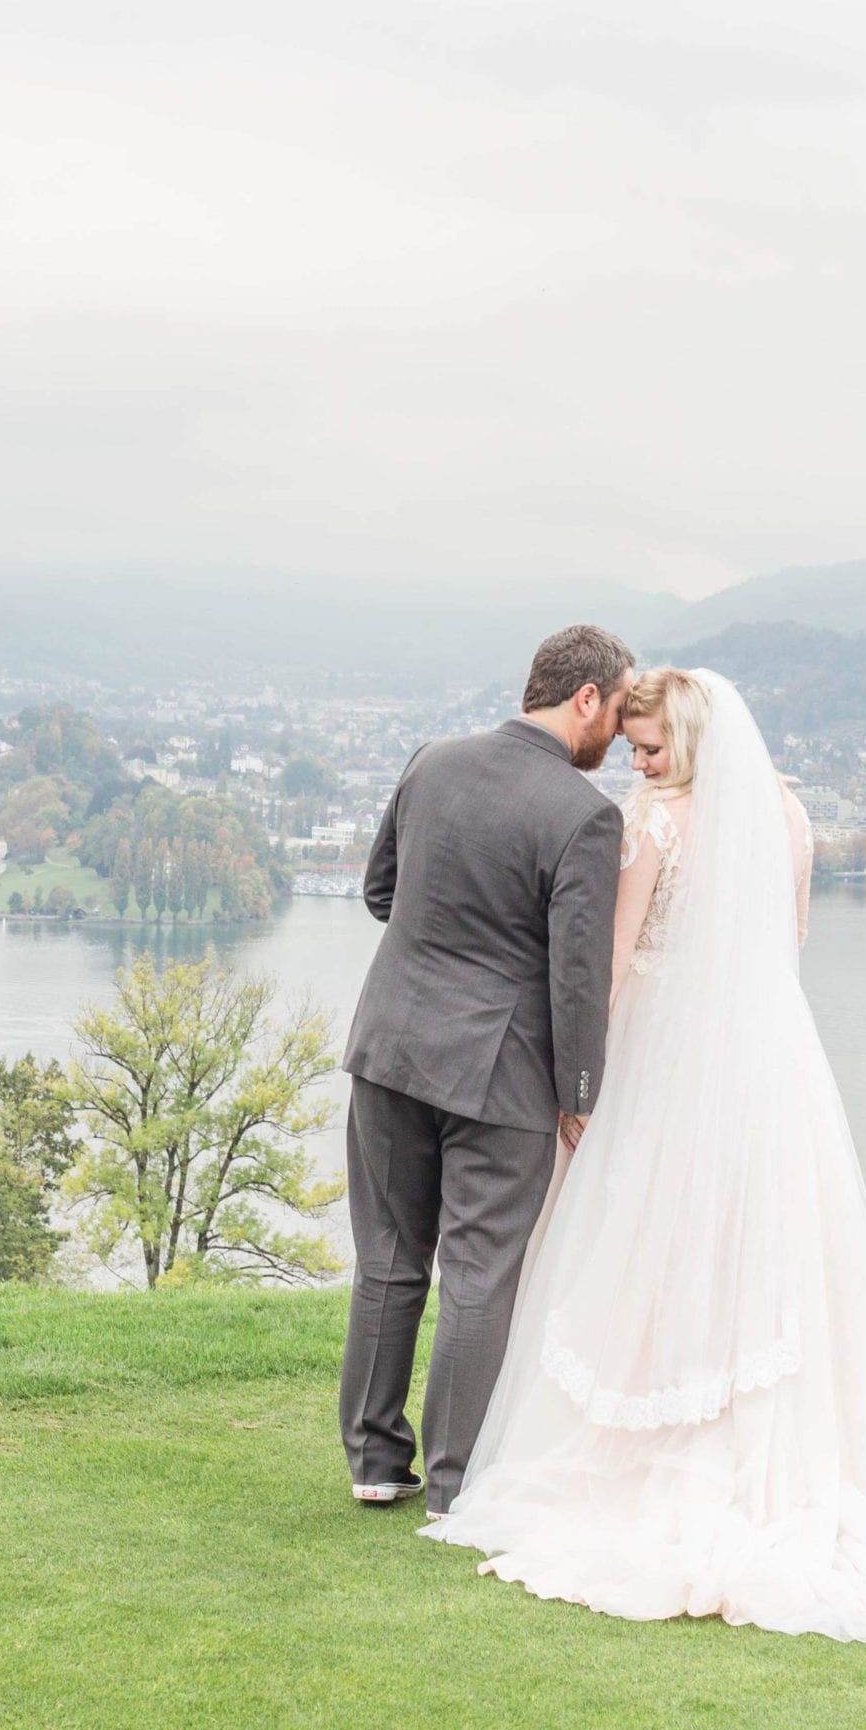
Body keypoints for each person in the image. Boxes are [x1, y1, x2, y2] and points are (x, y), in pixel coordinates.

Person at [422, 665, 866, 1640]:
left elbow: (607, 959)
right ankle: (752, 1450)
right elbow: (792, 939)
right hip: (768, 1062)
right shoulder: (787, 817)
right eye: (635, 746)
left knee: (638, 1244)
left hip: (666, 1052)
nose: (638, 762)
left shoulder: (653, 822)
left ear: (689, 739)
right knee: (752, 1247)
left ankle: (639, 1454)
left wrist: (578, 1084)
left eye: (649, 747)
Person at [338, 623, 633, 1518]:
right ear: (585, 697)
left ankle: (375, 1462)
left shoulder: (434, 760)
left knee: (387, 1261)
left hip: (388, 1048)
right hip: (500, 1075)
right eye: (617, 715)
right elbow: (577, 976)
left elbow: (380, 892)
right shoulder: (585, 816)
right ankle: (458, 1486)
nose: (617, 738)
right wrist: (580, 1095)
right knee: (478, 1271)